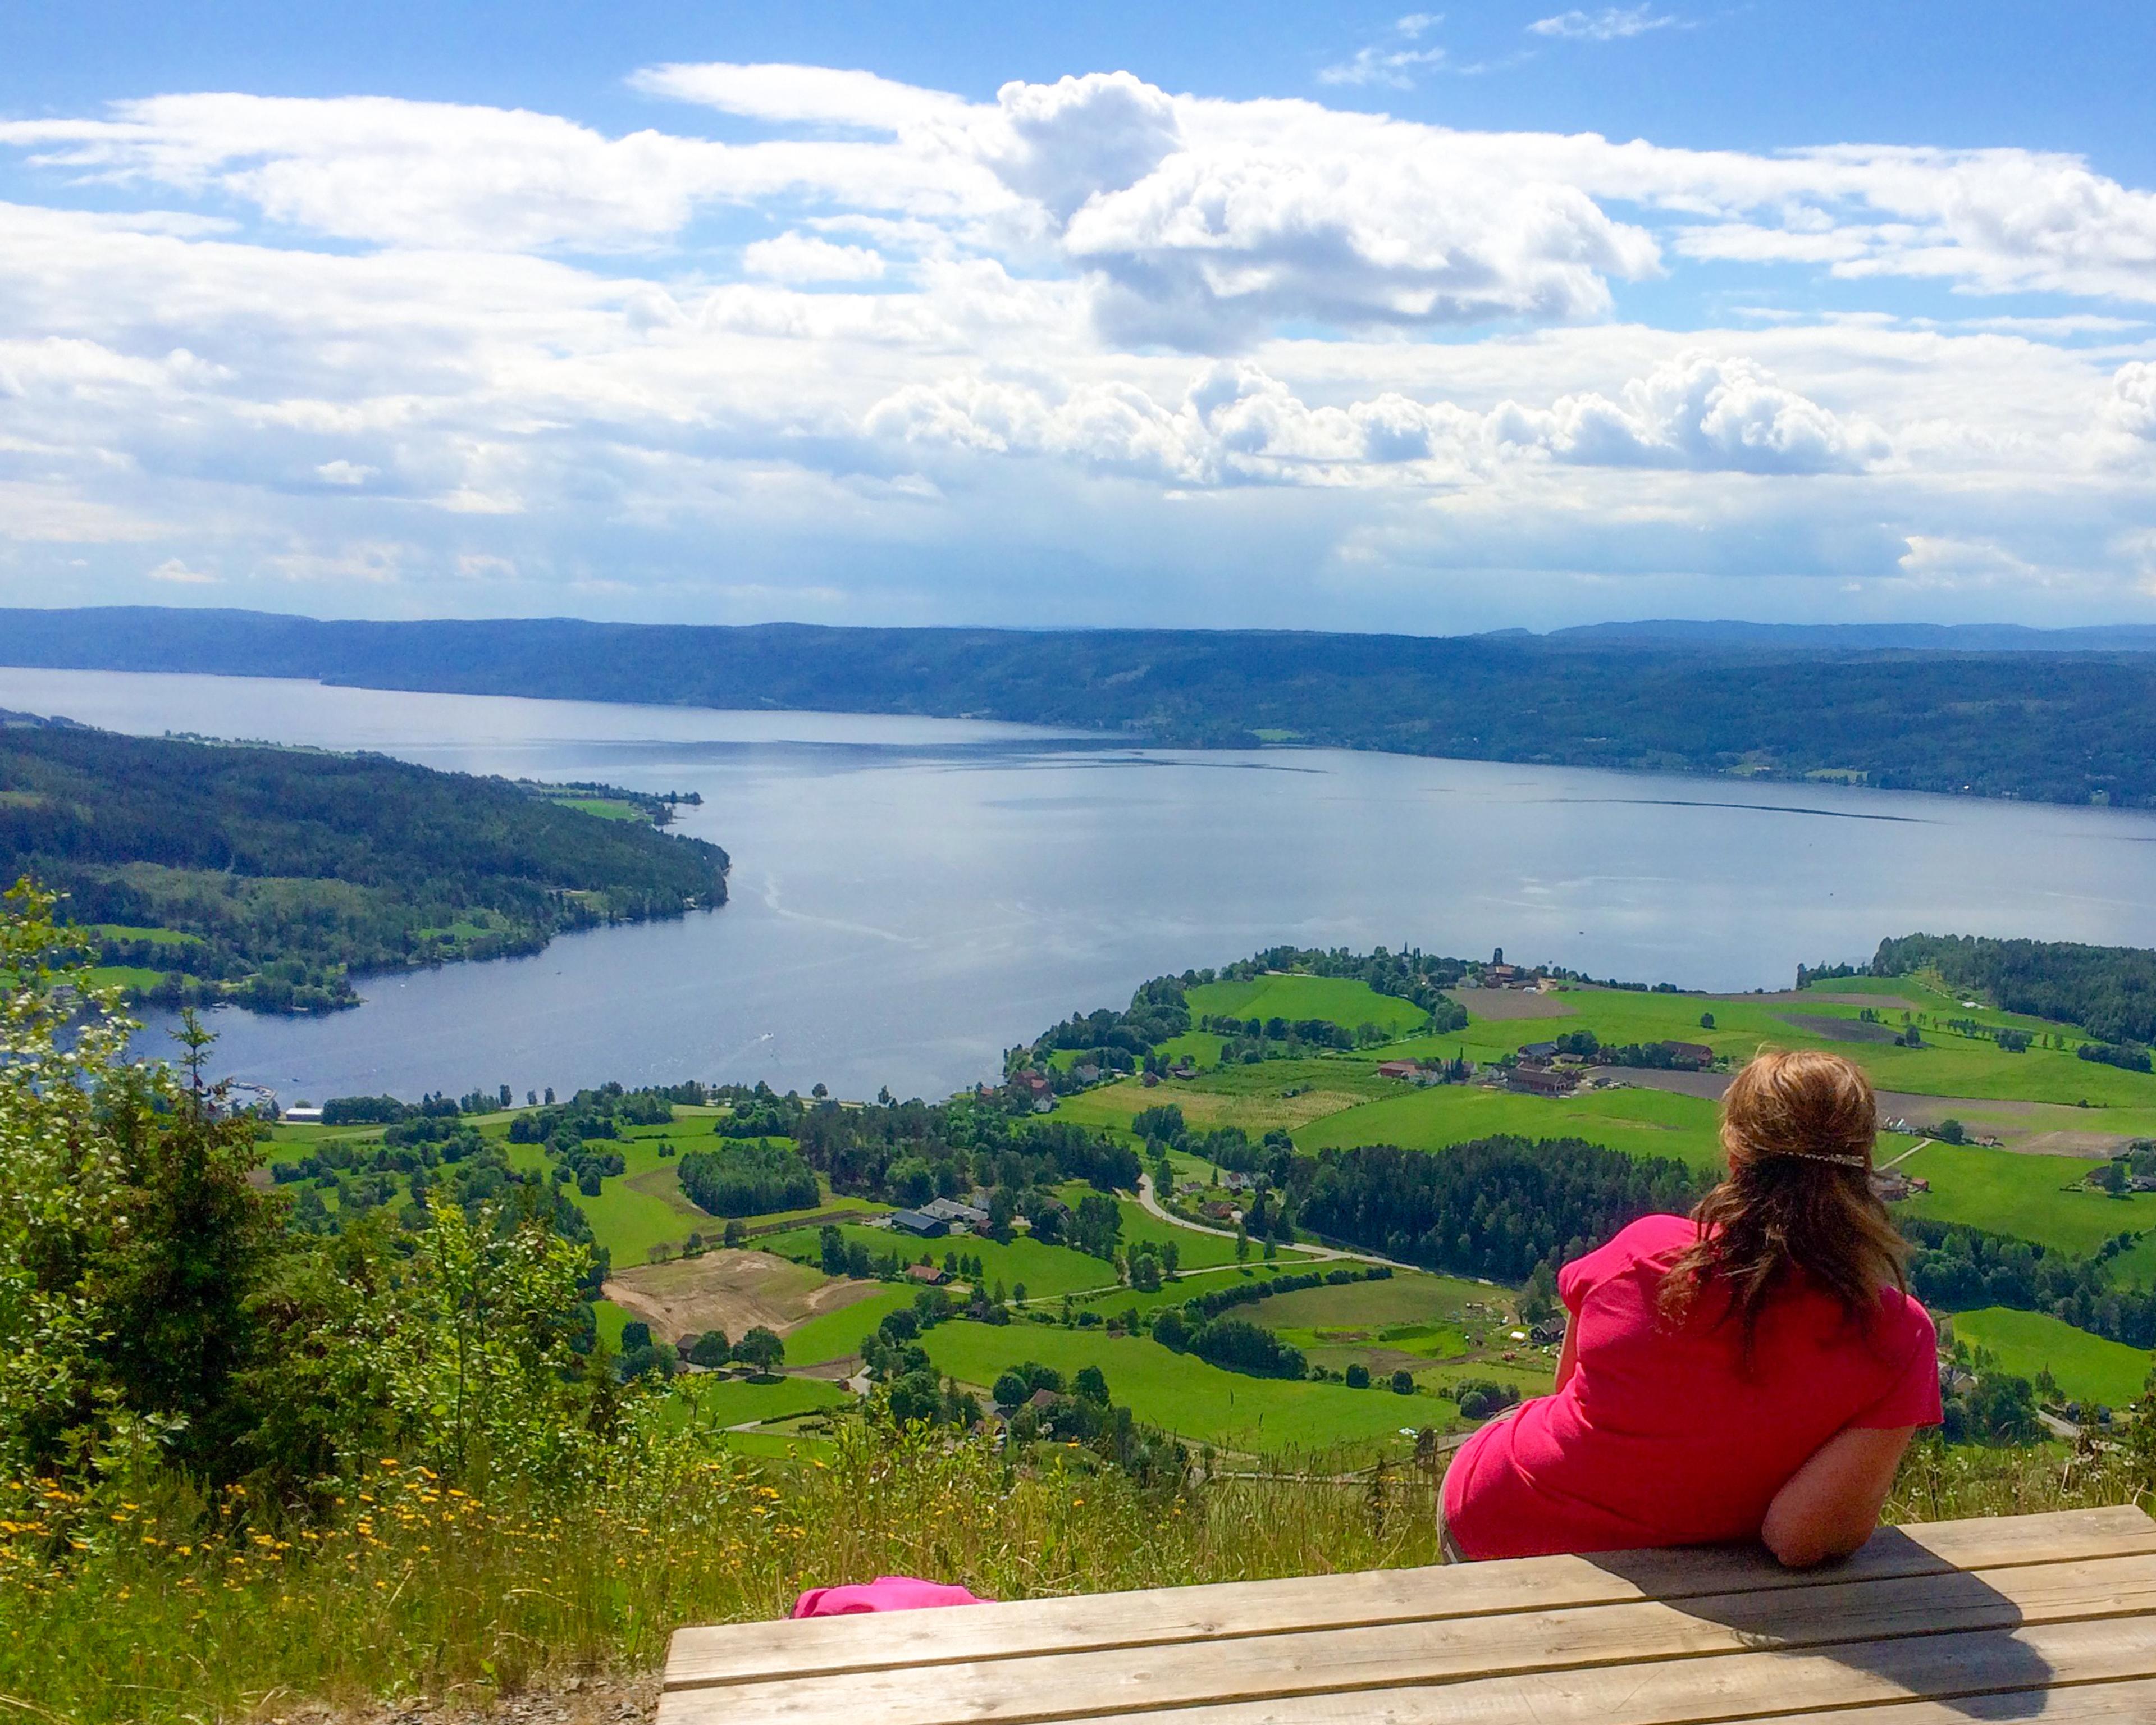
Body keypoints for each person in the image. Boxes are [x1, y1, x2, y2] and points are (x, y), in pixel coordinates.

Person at [1440, 1048, 1940, 1566]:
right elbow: (1799, 1538)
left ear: (1736, 1160)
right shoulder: (1898, 1335)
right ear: (1860, 1169)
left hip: (1499, 1519)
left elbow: (1569, 1394)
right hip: (1671, 1573)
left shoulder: (1643, 1253)